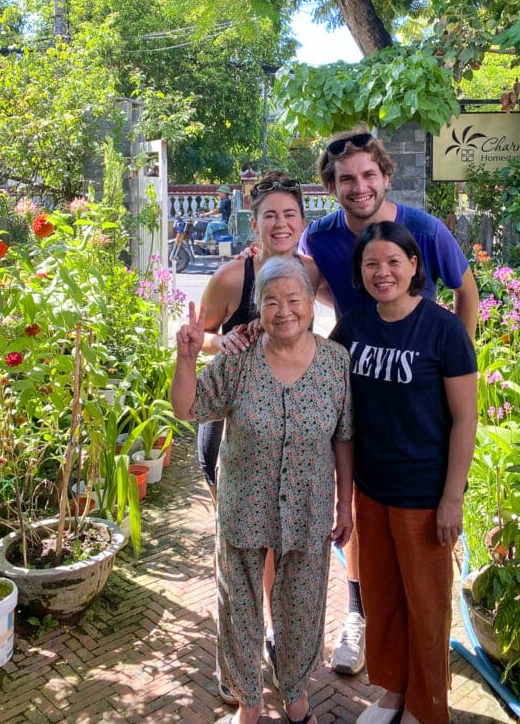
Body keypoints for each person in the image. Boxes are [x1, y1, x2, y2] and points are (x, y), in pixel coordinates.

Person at [298, 127, 479, 676]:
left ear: (383, 175)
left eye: (368, 175)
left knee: (417, 530)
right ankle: (359, 614)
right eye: (346, 179)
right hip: (363, 386)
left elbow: (466, 290)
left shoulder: (422, 229)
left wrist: (456, 365)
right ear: (332, 186)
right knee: (363, 515)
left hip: (418, 388)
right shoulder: (321, 235)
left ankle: (420, 660)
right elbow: (298, 286)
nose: (359, 187)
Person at [171, 258, 353, 724]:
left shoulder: (335, 362)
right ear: (258, 309)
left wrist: (344, 504)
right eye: (272, 301)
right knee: (240, 609)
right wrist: (187, 357)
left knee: (302, 608)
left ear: (311, 305)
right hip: (243, 506)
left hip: (309, 509)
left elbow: (344, 437)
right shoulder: (237, 359)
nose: (284, 310)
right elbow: (188, 408)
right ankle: (249, 702)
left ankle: (296, 696)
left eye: (294, 299)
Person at [330, 222, 477, 724]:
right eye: (371, 264)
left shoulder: (444, 330)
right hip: (372, 490)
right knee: (383, 601)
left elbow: (465, 418)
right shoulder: (353, 327)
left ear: (415, 265)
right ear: (360, 272)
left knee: (426, 608)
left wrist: (452, 498)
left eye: (394, 261)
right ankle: (393, 692)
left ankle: (426, 705)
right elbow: (319, 379)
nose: (383, 272)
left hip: (424, 494)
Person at [196, 171, 325, 698]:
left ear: (302, 221)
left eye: (289, 214)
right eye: (269, 214)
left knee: (277, 547)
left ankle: (271, 637)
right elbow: (196, 334)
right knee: (236, 551)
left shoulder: (315, 274)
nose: (280, 223)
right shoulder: (234, 278)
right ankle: (236, 658)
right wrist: (219, 345)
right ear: (256, 222)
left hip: (291, 437)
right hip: (234, 431)